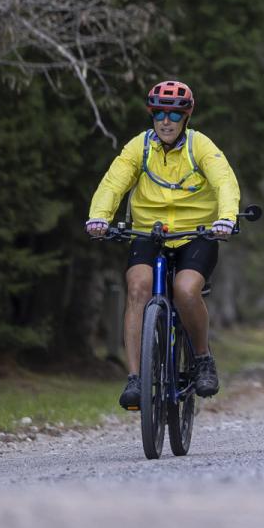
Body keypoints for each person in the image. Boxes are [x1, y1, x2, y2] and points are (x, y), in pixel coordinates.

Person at [86, 80, 240, 410]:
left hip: (197, 235)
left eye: (173, 113)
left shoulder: (200, 146)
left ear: (186, 117)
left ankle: (202, 359)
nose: (166, 120)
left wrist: (226, 218)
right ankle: (135, 379)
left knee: (185, 290)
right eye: (159, 113)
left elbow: (224, 181)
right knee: (138, 286)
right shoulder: (138, 148)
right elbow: (114, 183)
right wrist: (99, 216)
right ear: (152, 115)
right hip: (148, 234)